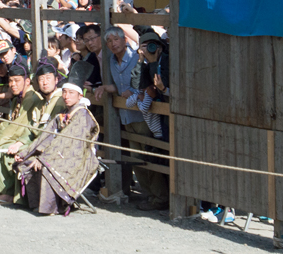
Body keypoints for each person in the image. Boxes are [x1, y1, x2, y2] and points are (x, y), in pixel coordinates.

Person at [95, 26, 168, 211]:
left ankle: (160, 197)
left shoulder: (137, 57)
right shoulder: (111, 60)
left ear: (125, 40)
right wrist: (106, 88)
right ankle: (149, 195)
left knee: (148, 157)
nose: (113, 44)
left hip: (143, 115)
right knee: (136, 159)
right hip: (126, 116)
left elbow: (148, 84)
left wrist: (133, 92)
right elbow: (119, 87)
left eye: (116, 40)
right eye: (109, 41)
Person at [15, 61, 100, 215]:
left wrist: (42, 158)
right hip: (61, 153)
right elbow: (46, 135)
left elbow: (65, 142)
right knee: (26, 162)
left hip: (79, 157)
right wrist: (26, 153)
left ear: (80, 95)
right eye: (64, 92)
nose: (66, 96)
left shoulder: (82, 115)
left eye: (71, 93)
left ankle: (53, 207)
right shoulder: (63, 113)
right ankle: (37, 204)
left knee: (47, 166)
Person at [0, 60, 64, 205]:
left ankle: (9, 195)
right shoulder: (42, 102)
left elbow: (48, 133)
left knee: (9, 153)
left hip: (48, 145)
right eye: (41, 79)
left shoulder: (59, 101)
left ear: (56, 80)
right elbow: (32, 128)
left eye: (48, 79)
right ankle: (0, 190)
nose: (45, 83)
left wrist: (23, 145)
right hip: (34, 140)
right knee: (8, 149)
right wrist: (20, 142)